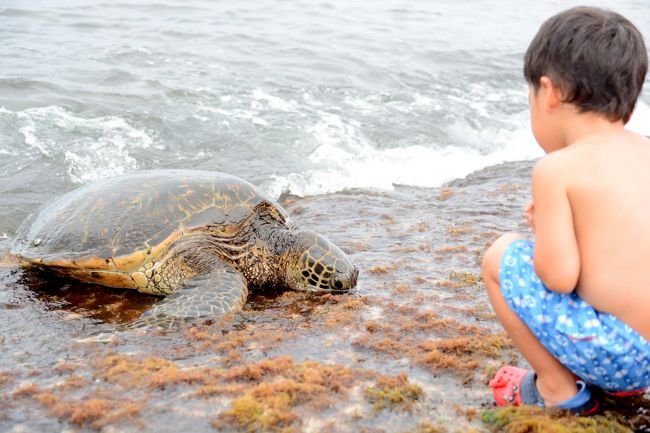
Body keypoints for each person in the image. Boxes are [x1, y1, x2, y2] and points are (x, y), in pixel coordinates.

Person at [481, 6, 650, 413]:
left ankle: (558, 392)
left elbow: (558, 278)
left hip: (621, 354)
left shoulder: (557, 169)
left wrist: (546, 228)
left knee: (499, 257)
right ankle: (622, 392)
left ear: (550, 92)